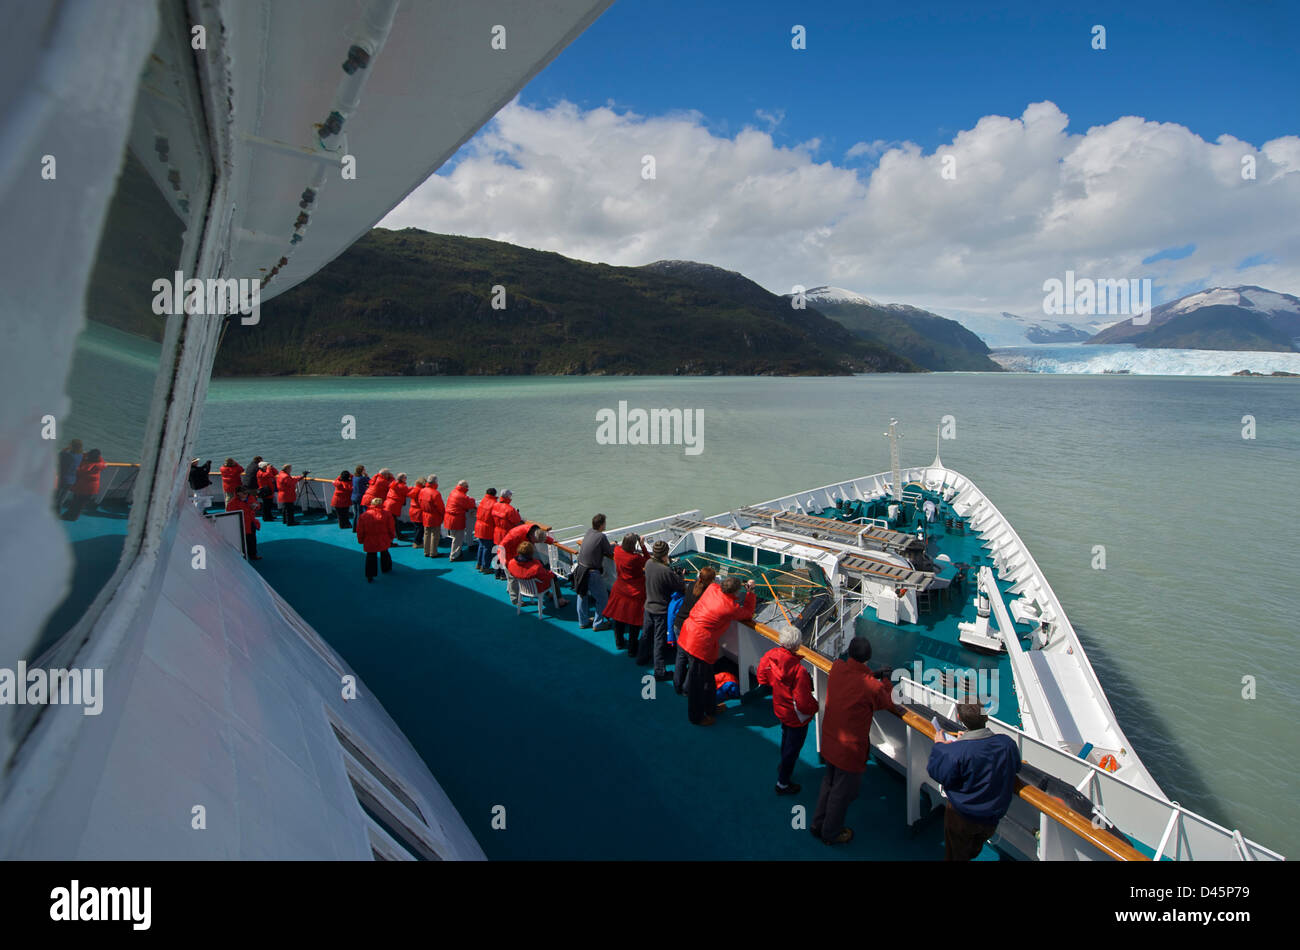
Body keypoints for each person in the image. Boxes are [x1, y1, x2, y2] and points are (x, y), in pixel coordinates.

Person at [811, 637, 905, 846]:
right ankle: (831, 833)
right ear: (868, 657)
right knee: (841, 793)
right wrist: (886, 680)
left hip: (830, 739)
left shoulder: (836, 667)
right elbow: (886, 701)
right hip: (848, 749)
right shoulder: (871, 687)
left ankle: (818, 824)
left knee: (829, 782)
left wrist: (873, 674)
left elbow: (853, 679)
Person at [927, 702, 1022, 861]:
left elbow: (938, 773)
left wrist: (939, 746)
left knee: (955, 856)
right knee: (973, 849)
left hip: (962, 816)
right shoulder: (1007, 744)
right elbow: (1015, 766)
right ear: (986, 717)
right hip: (991, 817)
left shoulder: (956, 751)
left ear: (959, 718)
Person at [677, 576, 756, 726]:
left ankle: (710, 707)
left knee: (707, 679)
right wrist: (750, 592)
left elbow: (717, 587)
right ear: (736, 592)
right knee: (697, 684)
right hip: (698, 645)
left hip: (688, 634)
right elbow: (747, 613)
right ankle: (696, 717)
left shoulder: (712, 588)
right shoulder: (730, 607)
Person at [757, 628, 820, 795]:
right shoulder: (799, 672)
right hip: (796, 716)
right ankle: (783, 783)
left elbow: (762, 676)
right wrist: (816, 707)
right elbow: (804, 703)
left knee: (786, 738)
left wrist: (774, 684)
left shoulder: (771, 656)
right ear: (798, 645)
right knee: (793, 748)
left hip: (780, 708)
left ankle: (783, 764)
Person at [641, 540, 685, 678]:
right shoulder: (666, 570)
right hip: (660, 610)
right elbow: (680, 586)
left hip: (648, 606)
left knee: (646, 635)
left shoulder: (648, 563)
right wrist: (680, 576)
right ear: (665, 554)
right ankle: (659, 671)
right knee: (659, 639)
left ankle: (641, 658)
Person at [601, 534, 650, 656]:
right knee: (634, 622)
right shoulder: (635, 558)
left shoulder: (617, 551)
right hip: (635, 592)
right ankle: (632, 650)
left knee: (619, 618)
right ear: (634, 545)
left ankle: (619, 642)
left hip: (619, 589)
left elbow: (615, 546)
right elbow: (648, 561)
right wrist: (643, 546)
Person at [672, 566, 716, 696]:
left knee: (680, 657)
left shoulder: (691, 585)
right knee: (692, 662)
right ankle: (687, 689)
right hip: (688, 629)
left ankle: (677, 685)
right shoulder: (707, 594)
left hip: (678, 624)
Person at [574, 513, 614, 631]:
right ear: (602, 525)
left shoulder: (589, 532)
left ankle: (583, 621)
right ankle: (598, 623)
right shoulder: (601, 536)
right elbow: (608, 552)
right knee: (603, 598)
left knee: (582, 594)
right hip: (591, 572)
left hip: (580, 568)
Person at [501, 522, 557, 605]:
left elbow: (542, 537)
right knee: (512, 578)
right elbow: (502, 547)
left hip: (522, 554)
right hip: (509, 557)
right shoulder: (515, 535)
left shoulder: (534, 533)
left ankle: (512, 589)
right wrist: (505, 562)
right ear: (531, 537)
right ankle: (515, 599)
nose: (537, 543)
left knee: (526, 575)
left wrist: (551, 541)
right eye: (536, 541)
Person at [507, 541, 569, 607]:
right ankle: (560, 599)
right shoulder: (535, 567)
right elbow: (546, 576)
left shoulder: (511, 563)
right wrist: (551, 574)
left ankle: (548, 594)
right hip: (536, 588)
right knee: (553, 577)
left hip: (523, 587)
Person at [356, 497, 396, 582]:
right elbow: (391, 527)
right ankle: (386, 568)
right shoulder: (387, 514)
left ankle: (370, 575)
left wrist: (360, 539)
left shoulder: (364, 515)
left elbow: (360, 530)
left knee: (371, 556)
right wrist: (391, 537)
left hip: (369, 539)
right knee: (385, 553)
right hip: (383, 538)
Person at [62, 448, 106, 521]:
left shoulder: (89, 466)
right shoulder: (100, 463)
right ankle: (70, 516)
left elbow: (78, 470)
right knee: (79, 504)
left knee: (77, 503)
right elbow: (100, 459)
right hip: (90, 488)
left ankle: (71, 517)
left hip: (83, 488)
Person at [490, 489, 522, 577]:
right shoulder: (510, 509)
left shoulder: (495, 505)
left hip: (497, 532)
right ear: (508, 497)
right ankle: (504, 574)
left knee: (498, 553)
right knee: (506, 554)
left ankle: (497, 573)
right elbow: (517, 520)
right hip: (506, 534)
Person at [443, 480, 476, 560]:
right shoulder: (461, 496)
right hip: (456, 519)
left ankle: (457, 553)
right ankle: (454, 556)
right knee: (458, 538)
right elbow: (470, 504)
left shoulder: (453, 492)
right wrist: (472, 500)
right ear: (464, 487)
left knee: (455, 536)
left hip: (449, 518)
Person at [229, 486, 262, 560]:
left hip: (251, 523)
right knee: (242, 540)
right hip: (240, 524)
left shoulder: (250, 498)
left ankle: (253, 555)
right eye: (244, 493)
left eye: (247, 493)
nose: (246, 495)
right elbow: (230, 515)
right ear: (238, 493)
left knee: (252, 539)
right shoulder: (233, 503)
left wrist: (256, 506)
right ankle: (243, 555)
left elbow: (258, 505)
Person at [473, 488, 499, 573]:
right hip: (487, 528)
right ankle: (485, 567)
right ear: (494, 495)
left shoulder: (483, 500)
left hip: (479, 526)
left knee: (481, 546)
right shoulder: (494, 504)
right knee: (487, 548)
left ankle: (479, 563)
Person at [421, 475, 445, 557]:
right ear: (435, 482)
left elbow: (420, 502)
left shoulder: (422, 490)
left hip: (425, 514)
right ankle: (433, 552)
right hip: (434, 516)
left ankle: (426, 551)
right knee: (435, 535)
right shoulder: (435, 493)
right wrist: (443, 515)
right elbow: (440, 507)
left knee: (426, 533)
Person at [55, 439, 83, 507]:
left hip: (63, 478)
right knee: (63, 495)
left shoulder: (67, 455)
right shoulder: (80, 455)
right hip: (72, 479)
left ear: (72, 446)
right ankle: (58, 508)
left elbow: (59, 456)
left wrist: (65, 449)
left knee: (56, 494)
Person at [383, 473, 410, 542]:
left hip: (387, 504)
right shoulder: (402, 487)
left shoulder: (393, 484)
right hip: (393, 506)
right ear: (402, 479)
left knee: (392, 522)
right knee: (394, 522)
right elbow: (408, 492)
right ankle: (398, 536)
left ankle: (397, 535)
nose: (406, 479)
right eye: (405, 477)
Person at [406, 478, 427, 548]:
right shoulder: (421, 491)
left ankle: (417, 541)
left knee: (416, 527)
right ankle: (417, 542)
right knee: (420, 528)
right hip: (418, 512)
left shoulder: (414, 490)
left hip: (412, 510)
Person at [350, 465, 369, 531]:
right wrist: (366, 475)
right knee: (359, 513)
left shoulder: (354, 477)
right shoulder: (362, 478)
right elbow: (370, 481)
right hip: (359, 497)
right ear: (361, 471)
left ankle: (354, 528)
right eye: (364, 470)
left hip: (353, 497)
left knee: (355, 513)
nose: (365, 470)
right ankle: (359, 528)